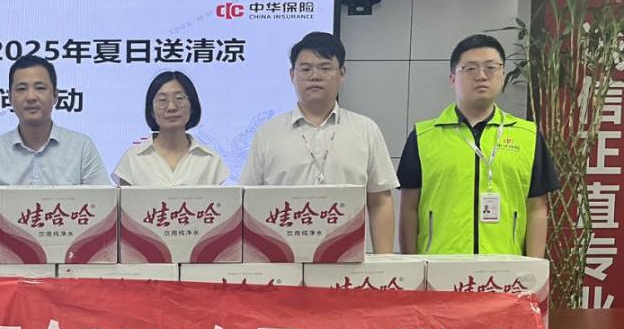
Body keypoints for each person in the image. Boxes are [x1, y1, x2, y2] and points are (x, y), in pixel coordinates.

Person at [398, 34, 559, 257]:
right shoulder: (423, 136)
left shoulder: (528, 136)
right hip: (439, 266)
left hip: (506, 266)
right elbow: (408, 209)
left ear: (502, 75)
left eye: (491, 68)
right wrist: (412, 266)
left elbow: (537, 208)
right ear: (453, 79)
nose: (481, 76)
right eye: (470, 69)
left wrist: (533, 270)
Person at [239, 31, 398, 253]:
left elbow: (380, 201)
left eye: (325, 68)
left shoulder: (366, 129)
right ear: (292, 75)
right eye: (306, 69)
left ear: (342, 74)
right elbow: (247, 201)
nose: (315, 76)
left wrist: (384, 262)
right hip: (282, 259)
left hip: (348, 260)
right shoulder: (268, 134)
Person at [0, 55, 108, 186]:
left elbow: (103, 201)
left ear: (55, 96)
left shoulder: (82, 148)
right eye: (21, 89)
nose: (31, 97)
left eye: (40, 88)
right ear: (10, 98)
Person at [112, 71, 229, 186]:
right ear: (151, 110)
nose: (171, 107)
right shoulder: (132, 159)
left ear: (192, 106)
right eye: (162, 100)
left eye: (179, 98)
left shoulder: (211, 160)